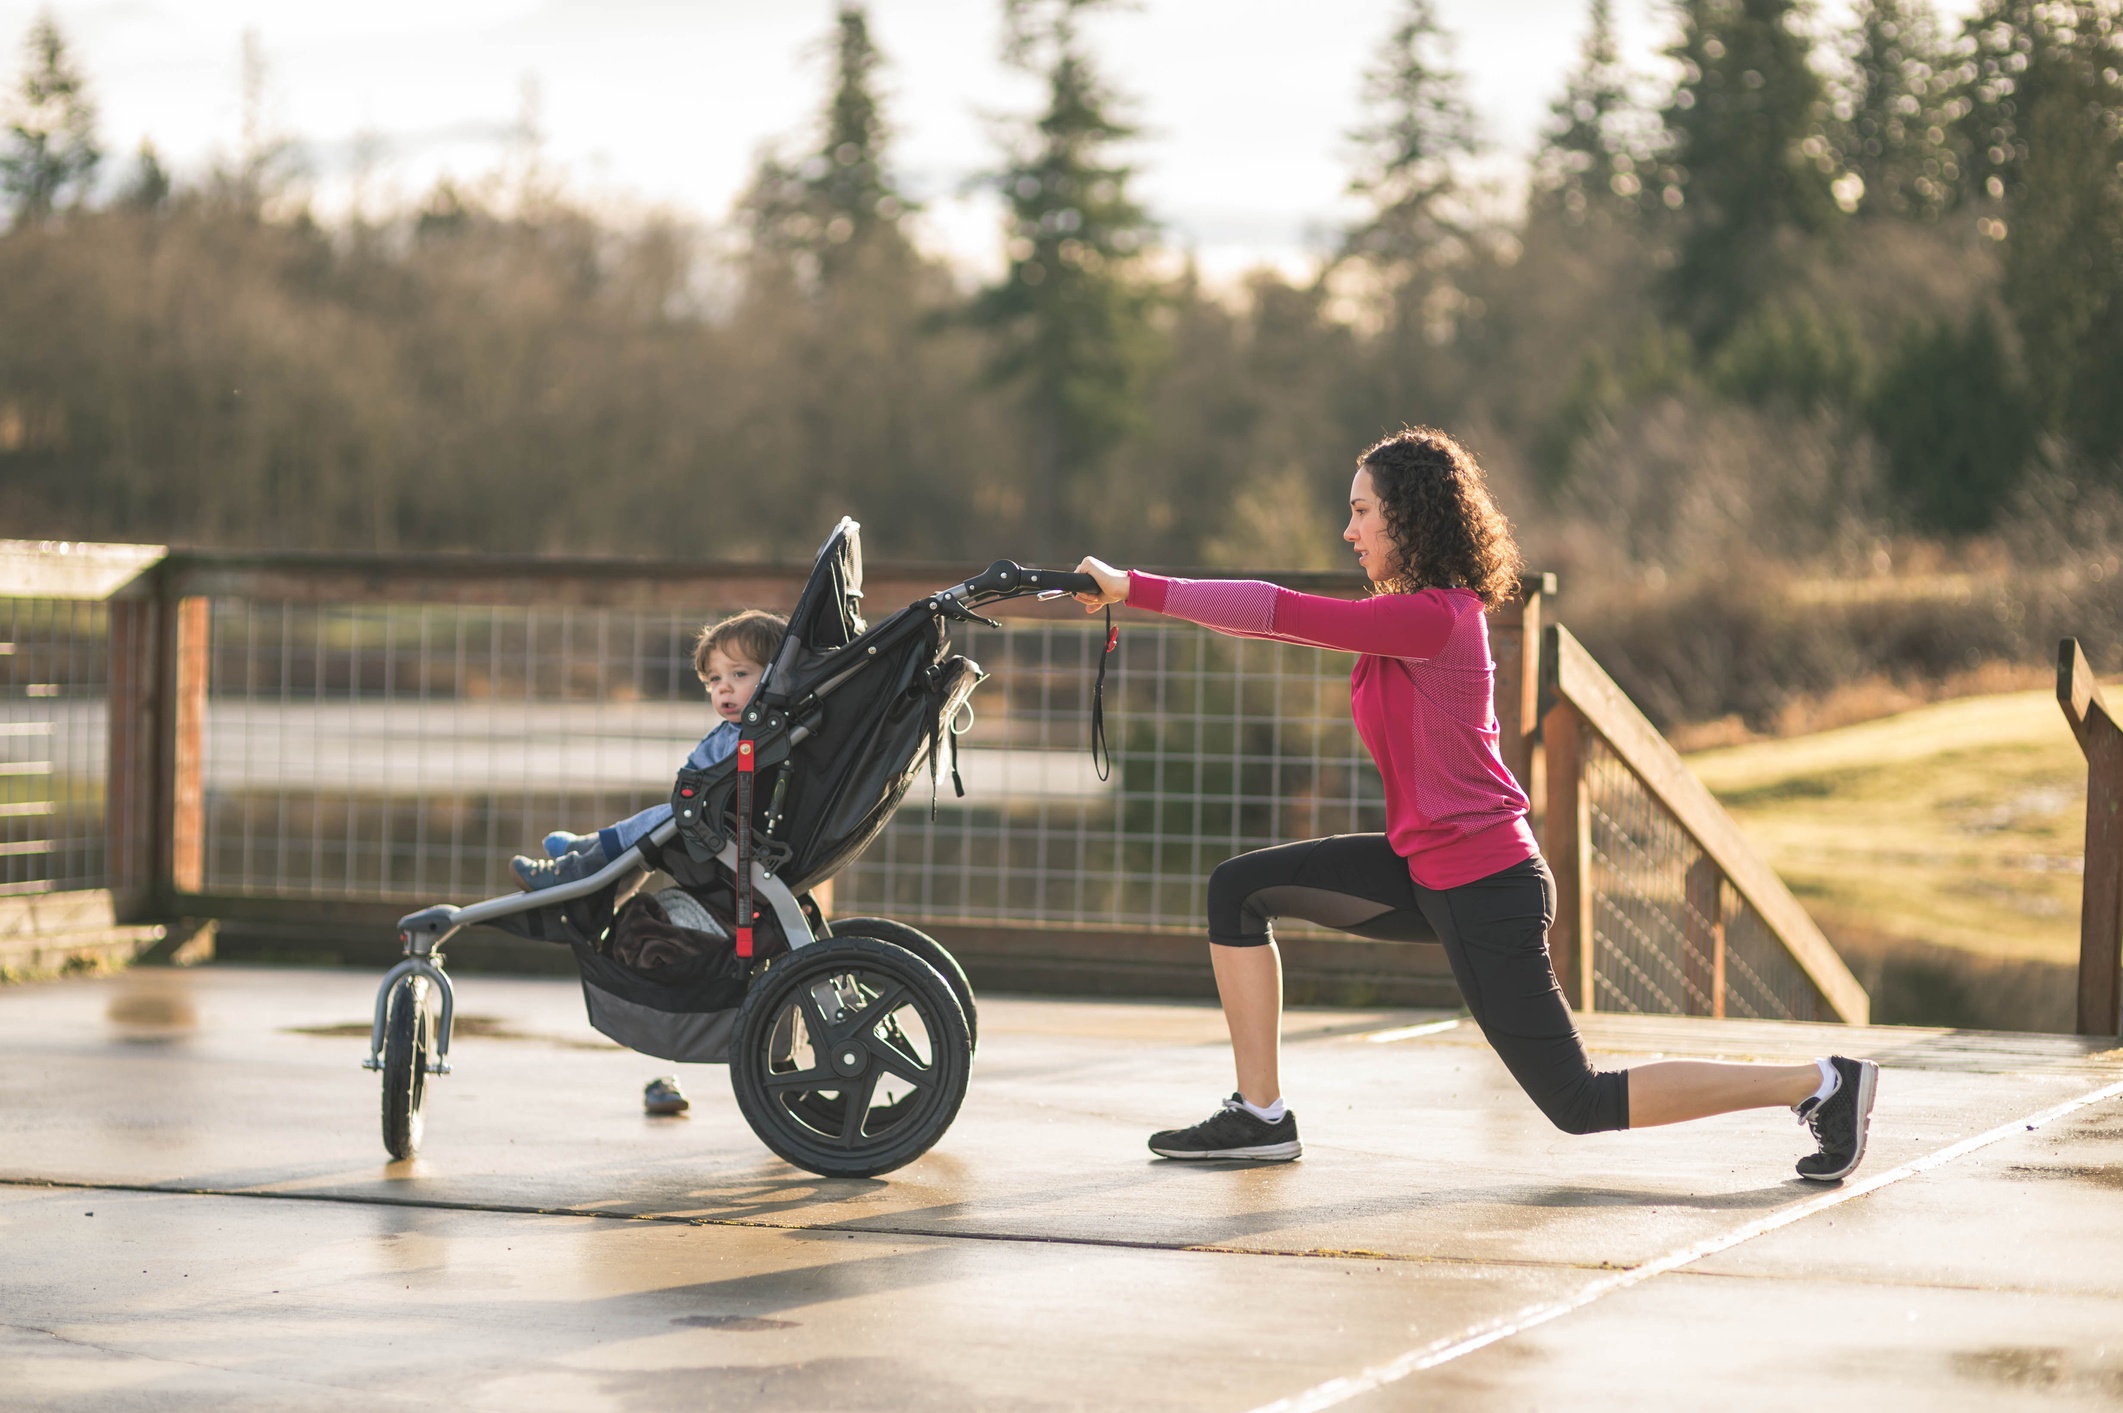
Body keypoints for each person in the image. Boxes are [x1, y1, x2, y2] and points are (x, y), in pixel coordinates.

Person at [1072, 427, 1878, 1182]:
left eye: (1360, 511)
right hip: (1427, 870)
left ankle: (1817, 1084)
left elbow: (1279, 614)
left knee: (1580, 1102)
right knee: (1236, 890)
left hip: (1484, 888)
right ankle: (1260, 1114)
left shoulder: (1436, 618)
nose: (1348, 531)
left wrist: (1132, 586)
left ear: (1409, 518)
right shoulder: (1415, 616)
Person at [511, 609, 787, 892]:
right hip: (710, 816)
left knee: (662, 820)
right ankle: (592, 847)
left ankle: (577, 867)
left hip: (728, 828)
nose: (724, 689)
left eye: (739, 674)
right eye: (715, 679)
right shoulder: (734, 731)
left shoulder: (762, 736)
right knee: (658, 819)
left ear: (775, 677)